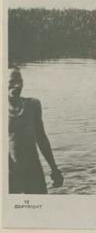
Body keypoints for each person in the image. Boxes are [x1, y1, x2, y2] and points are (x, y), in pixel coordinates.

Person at [8, 65, 63, 194]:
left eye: (19, 81)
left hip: (33, 170)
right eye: (11, 82)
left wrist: (54, 169)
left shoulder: (33, 105)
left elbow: (41, 138)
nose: (17, 85)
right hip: (9, 173)